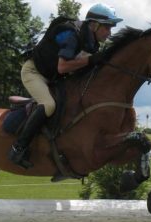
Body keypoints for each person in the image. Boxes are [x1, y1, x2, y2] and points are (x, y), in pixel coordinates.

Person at [8, 3, 123, 169]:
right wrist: (91, 60)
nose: (109, 32)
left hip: (54, 78)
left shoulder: (92, 43)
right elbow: (62, 67)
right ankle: (18, 148)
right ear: (94, 25)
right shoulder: (72, 35)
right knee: (48, 105)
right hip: (34, 73)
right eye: (107, 27)